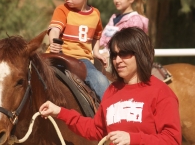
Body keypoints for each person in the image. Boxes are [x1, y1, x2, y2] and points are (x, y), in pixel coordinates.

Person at [40, 27, 181, 145]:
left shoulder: (161, 92)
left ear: (140, 54)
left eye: (124, 54)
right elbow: (95, 129)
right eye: (114, 55)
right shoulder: (112, 91)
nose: (117, 60)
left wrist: (132, 139)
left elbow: (172, 140)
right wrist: (59, 112)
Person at [46, 0, 110, 100]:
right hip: (59, 55)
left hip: (81, 60)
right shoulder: (62, 10)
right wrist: (53, 43)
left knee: (101, 80)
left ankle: (107, 112)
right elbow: (55, 29)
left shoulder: (95, 14)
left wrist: (96, 52)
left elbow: (96, 35)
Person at [99, 0, 148, 71]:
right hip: (106, 56)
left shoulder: (135, 20)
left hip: (120, 60)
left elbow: (130, 46)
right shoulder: (114, 18)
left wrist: (109, 54)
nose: (116, 0)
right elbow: (102, 40)